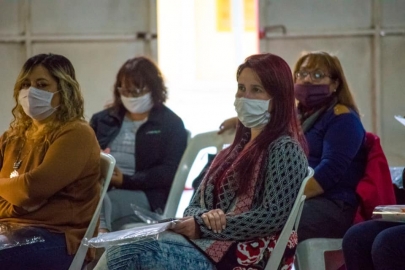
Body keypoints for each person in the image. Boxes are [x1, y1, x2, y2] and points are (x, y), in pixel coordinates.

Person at [94, 53, 308, 270]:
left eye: (256, 90)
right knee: (123, 246)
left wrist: (204, 226)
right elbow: (193, 207)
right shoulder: (233, 151)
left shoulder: (284, 149)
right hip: (207, 245)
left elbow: (272, 217)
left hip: (241, 256)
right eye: (241, 88)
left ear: (279, 97)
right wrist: (202, 219)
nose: (245, 97)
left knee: (127, 253)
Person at [219, 51, 367, 242]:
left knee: (268, 220)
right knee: (238, 211)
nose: (307, 81)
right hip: (298, 197)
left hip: (332, 204)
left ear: (335, 83)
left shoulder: (343, 119)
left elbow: (327, 174)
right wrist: (241, 117)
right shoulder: (299, 116)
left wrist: (280, 199)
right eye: (302, 74)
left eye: (317, 75)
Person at [0, 53, 101, 269]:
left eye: (41, 84)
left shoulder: (77, 133)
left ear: (64, 90)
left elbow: (30, 190)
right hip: (10, 228)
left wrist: (15, 196)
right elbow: (26, 196)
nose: (30, 92)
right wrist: (15, 199)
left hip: (58, 237)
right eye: (25, 84)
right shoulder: (14, 135)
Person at [90, 56, 187, 232]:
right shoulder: (102, 120)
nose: (131, 97)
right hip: (99, 188)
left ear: (154, 89)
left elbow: (169, 171)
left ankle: (97, 246)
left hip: (146, 195)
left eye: (137, 92)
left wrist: (126, 181)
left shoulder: (170, 124)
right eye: (126, 91)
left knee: (103, 205)